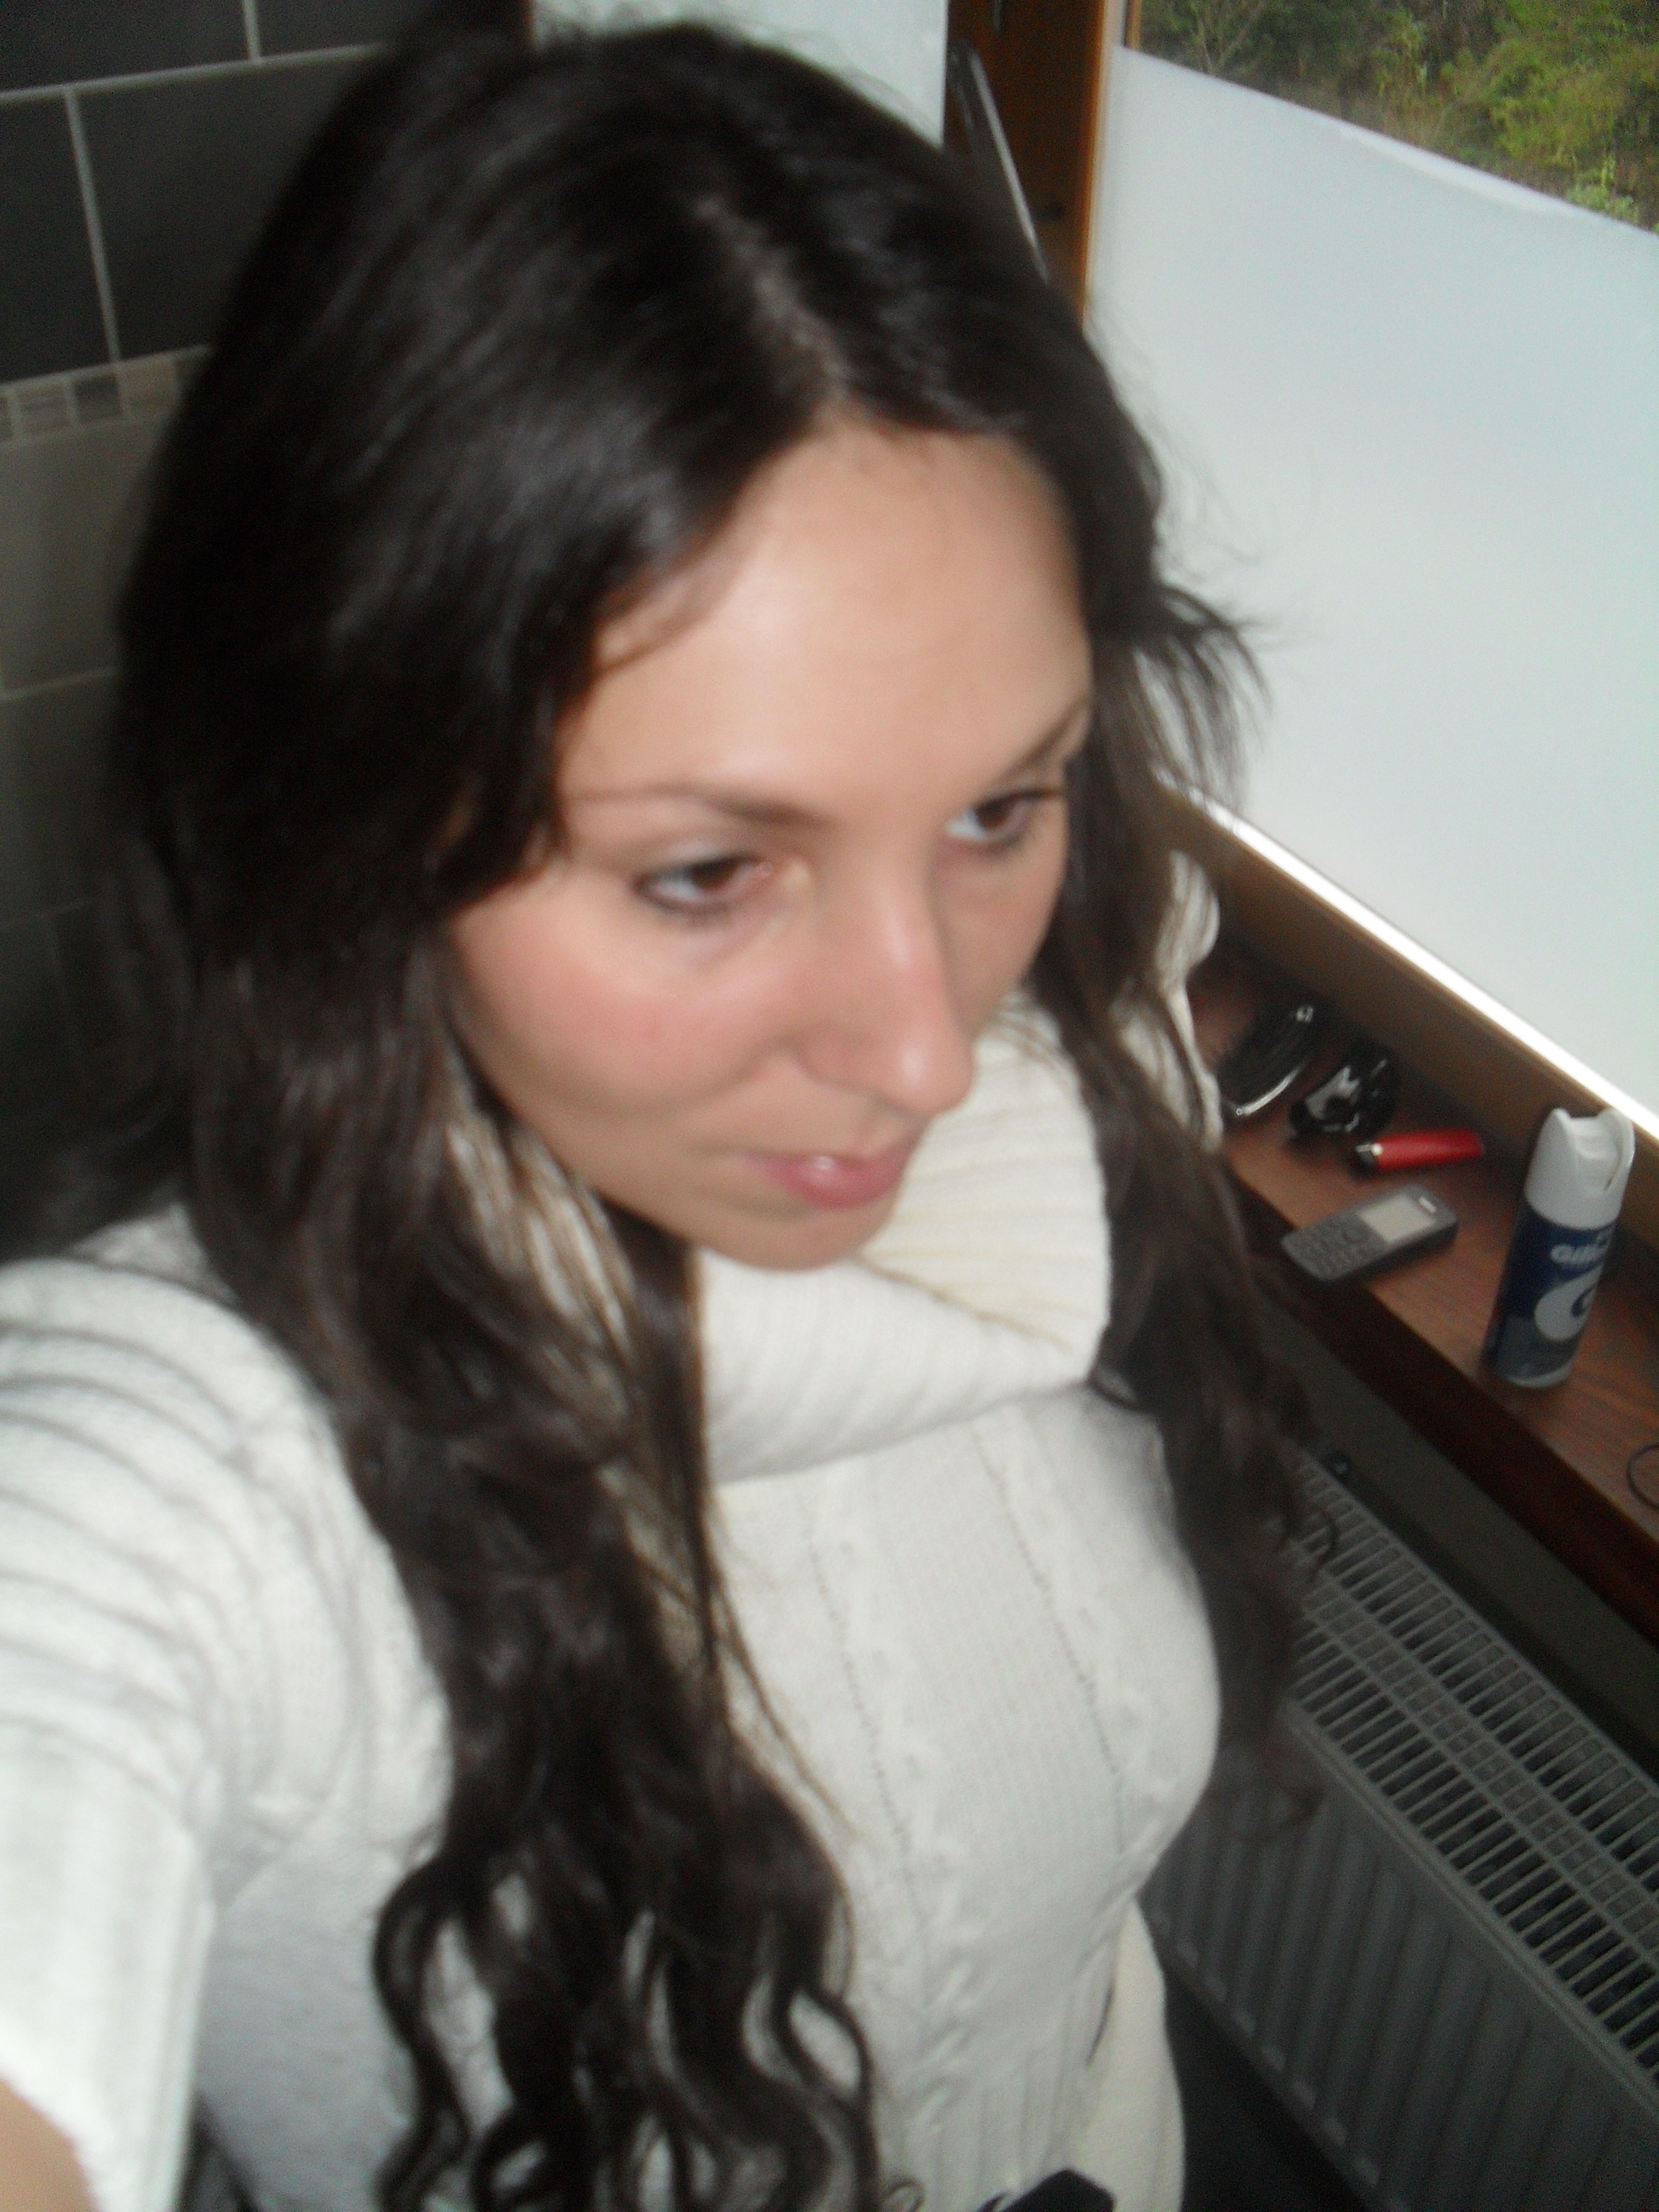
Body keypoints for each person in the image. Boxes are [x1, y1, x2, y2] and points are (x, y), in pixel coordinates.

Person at [0, 16, 1307, 2212]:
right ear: (336, 809)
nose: (923, 1049)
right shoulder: (190, 1462)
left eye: (998, 804)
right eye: (706, 872)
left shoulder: (1061, 1022)